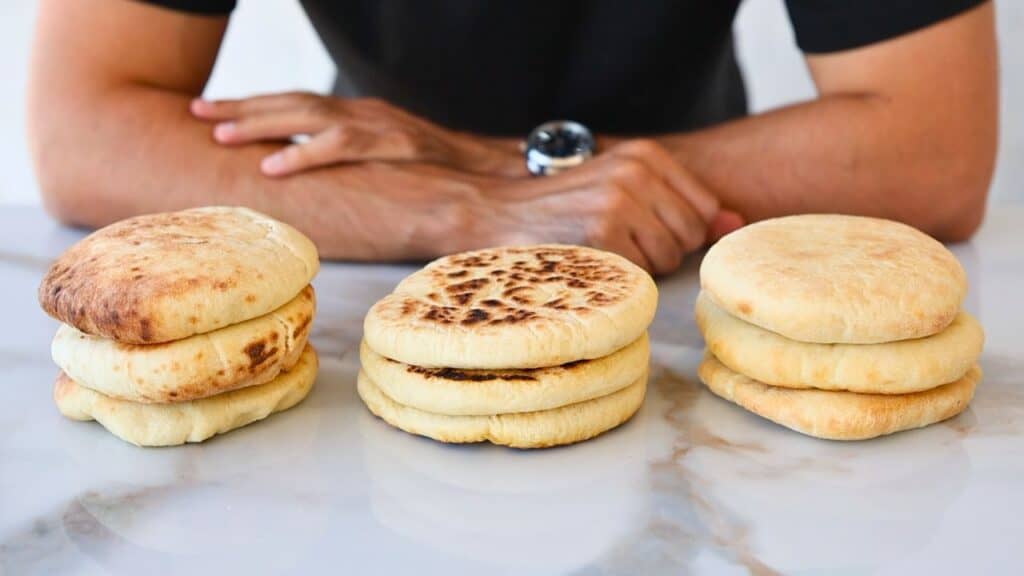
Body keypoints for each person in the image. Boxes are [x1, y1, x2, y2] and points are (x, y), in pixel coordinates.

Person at [27, 0, 997, 274]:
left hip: (693, 245)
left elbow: (936, 149)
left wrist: (490, 162)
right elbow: (82, 130)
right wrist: (458, 205)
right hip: (369, 236)